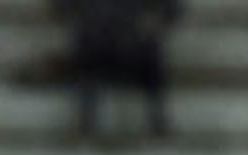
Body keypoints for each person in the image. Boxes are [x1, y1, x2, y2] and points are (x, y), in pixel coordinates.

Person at [54, 0, 180, 141]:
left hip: (134, 41)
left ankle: (158, 121)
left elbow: (172, 9)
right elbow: (61, 6)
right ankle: (86, 122)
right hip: (96, 38)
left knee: (151, 51)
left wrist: (154, 25)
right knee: (88, 47)